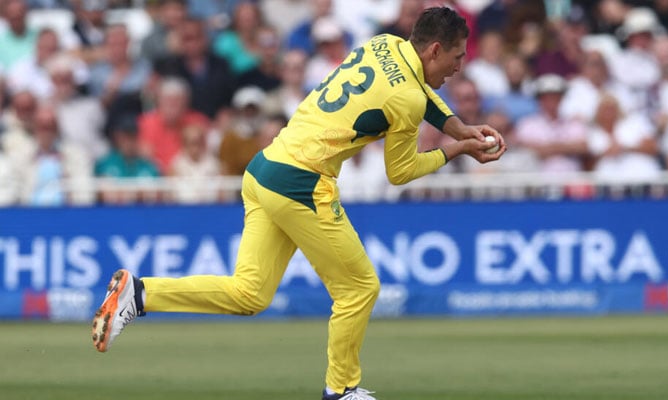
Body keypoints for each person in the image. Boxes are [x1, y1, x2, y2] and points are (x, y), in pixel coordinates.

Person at [90, 7, 506, 400]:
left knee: (248, 295)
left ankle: (140, 293)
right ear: (434, 50)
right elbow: (400, 172)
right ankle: (341, 389)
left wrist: (460, 128)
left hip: (265, 169)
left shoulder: (385, 43)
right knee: (359, 288)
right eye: (456, 56)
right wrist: (458, 150)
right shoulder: (410, 100)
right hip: (301, 182)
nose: (458, 66)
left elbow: (417, 89)